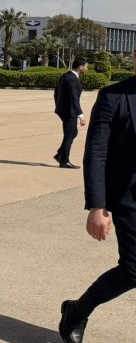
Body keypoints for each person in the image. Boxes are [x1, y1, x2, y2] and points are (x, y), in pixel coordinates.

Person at [58, 51, 136, 343]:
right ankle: (77, 311)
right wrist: (98, 205)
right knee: (133, 269)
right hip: (129, 199)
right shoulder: (114, 96)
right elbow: (97, 152)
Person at [54, 57, 88, 169]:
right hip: (69, 111)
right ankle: (64, 160)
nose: (87, 69)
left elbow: (55, 93)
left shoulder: (65, 76)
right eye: (86, 66)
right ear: (80, 67)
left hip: (64, 110)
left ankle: (60, 154)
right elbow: (74, 99)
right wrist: (81, 116)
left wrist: (59, 106)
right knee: (70, 134)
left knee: (72, 132)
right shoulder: (72, 79)